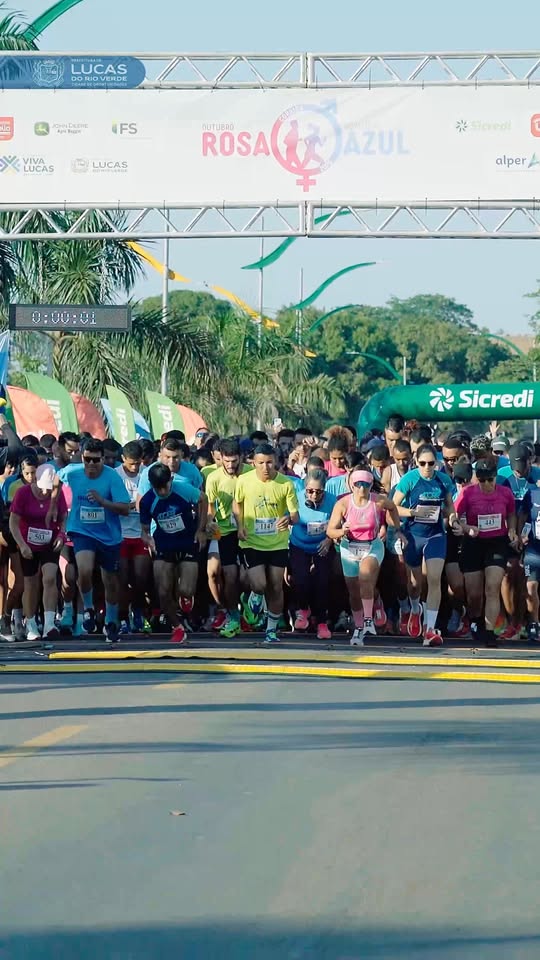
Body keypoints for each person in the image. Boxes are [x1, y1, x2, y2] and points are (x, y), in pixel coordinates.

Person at [58, 438, 131, 642]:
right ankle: (88, 608)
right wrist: (55, 505)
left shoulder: (112, 477)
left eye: (96, 460)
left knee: (110, 581)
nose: (91, 464)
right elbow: (53, 479)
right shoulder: (72, 472)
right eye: (87, 459)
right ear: (82, 457)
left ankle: (111, 620)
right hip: (82, 531)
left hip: (109, 536)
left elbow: (125, 509)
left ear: (103, 459)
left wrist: (102, 501)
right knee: (84, 569)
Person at [327, 469, 406, 646]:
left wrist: (395, 527)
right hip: (349, 548)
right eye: (358, 484)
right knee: (354, 592)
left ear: (371, 485)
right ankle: (359, 626)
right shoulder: (343, 503)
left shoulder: (378, 501)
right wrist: (342, 531)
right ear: (351, 485)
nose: (362, 488)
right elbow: (330, 531)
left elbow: (393, 507)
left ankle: (369, 619)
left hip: (372, 546)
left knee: (365, 576)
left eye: (366, 485)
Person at [393, 443, 461, 646]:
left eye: (431, 463)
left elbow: (450, 507)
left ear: (436, 463)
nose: (427, 467)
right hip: (413, 536)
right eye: (422, 463)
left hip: (436, 535)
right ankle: (415, 609)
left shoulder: (443, 480)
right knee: (415, 584)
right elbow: (393, 507)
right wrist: (412, 512)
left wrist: (454, 521)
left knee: (434, 578)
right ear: (416, 462)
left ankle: (430, 628)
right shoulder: (410, 479)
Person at [233, 443, 299, 644]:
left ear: (276, 461)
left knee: (276, 587)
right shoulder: (243, 480)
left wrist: (288, 519)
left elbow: (295, 515)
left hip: (277, 543)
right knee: (260, 584)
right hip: (252, 542)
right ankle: (254, 594)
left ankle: (271, 630)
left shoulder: (285, 484)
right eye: (260, 463)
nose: (265, 467)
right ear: (253, 462)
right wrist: (240, 525)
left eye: (269, 462)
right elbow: (237, 503)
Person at [139, 463, 207, 644]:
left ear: (171, 480)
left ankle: (185, 596)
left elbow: (203, 499)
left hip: (187, 543)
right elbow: (144, 531)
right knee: (162, 591)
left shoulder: (183, 490)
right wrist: (148, 539)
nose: (162, 492)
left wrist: (201, 529)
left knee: (186, 589)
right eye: (158, 488)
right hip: (164, 545)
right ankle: (177, 627)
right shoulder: (147, 501)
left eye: (165, 486)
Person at [455, 458, 517, 647]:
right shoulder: (468, 493)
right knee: (474, 594)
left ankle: (490, 632)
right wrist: (467, 528)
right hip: (474, 542)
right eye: (482, 480)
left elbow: (511, 514)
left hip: (497, 542)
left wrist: (512, 529)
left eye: (490, 479)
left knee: (492, 587)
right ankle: (475, 620)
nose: (486, 484)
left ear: (495, 477)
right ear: (477, 479)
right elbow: (455, 517)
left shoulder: (505, 493)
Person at [9, 464, 67, 641]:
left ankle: (49, 623)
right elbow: (13, 522)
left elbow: (64, 517)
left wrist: (62, 535)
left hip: (50, 541)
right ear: (34, 481)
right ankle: (31, 622)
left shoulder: (57, 494)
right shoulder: (23, 493)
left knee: (49, 578)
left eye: (49, 489)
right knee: (31, 583)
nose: (45, 492)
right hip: (28, 543)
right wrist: (22, 545)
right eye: (42, 488)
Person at [205, 438, 252, 638]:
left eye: (234, 461)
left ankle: (251, 604)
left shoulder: (251, 473)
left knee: (248, 578)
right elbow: (210, 507)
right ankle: (233, 616)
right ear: (221, 459)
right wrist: (210, 522)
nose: (231, 465)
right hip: (225, 532)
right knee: (229, 575)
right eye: (227, 461)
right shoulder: (213, 478)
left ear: (241, 457)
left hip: (249, 530)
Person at [288, 467, 336, 641]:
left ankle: (322, 622)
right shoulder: (296, 499)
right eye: (310, 491)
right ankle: (303, 609)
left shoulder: (333, 501)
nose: (314, 495)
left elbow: (338, 524)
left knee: (322, 582)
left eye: (318, 491)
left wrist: (329, 540)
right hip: (299, 544)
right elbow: (286, 518)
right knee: (301, 579)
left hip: (322, 545)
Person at [115, 440, 151, 635]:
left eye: (138, 463)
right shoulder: (115, 475)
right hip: (120, 534)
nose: (135, 467)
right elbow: (111, 503)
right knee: (121, 579)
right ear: (123, 459)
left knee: (140, 578)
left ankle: (138, 611)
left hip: (141, 534)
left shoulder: (147, 474)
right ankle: (122, 617)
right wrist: (130, 506)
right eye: (131, 464)